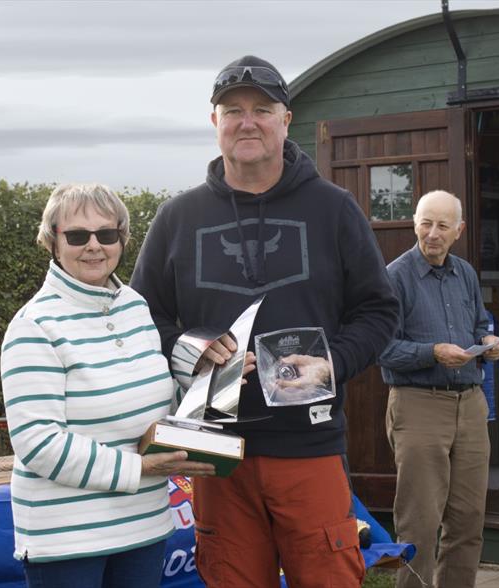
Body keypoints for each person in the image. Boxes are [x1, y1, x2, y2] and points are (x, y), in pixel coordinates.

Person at [130, 56, 399, 588]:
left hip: (309, 445)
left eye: (261, 109)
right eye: (233, 110)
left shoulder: (334, 209)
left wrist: (332, 364)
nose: (246, 122)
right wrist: (189, 348)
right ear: (215, 122)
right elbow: (143, 320)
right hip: (215, 449)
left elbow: (379, 309)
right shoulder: (176, 218)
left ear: (286, 120)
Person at [0, 183, 215, 588]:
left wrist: (208, 376)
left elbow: (158, 400)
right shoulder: (34, 325)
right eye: (78, 236)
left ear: (122, 238)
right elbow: (38, 442)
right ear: (52, 242)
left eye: (107, 234)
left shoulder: (135, 305)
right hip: (67, 538)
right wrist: (139, 468)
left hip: (144, 525)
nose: (94, 246)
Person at [378, 190, 499, 588]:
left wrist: (490, 345)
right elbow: (381, 348)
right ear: (414, 223)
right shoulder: (394, 276)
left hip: (470, 406)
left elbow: (479, 326)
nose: (432, 233)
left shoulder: (465, 273)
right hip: (418, 405)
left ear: (459, 231)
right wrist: (432, 353)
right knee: (419, 523)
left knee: (468, 521)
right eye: (425, 223)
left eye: (442, 226)